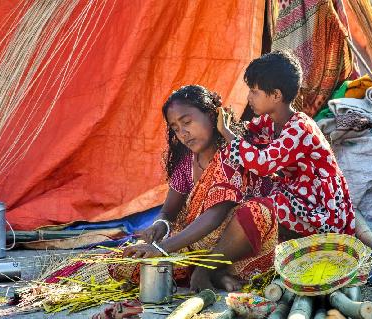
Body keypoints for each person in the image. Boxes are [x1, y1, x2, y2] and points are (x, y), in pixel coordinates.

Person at [118, 85, 278, 292]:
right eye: (175, 128)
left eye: (187, 122)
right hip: (197, 242)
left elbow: (215, 215)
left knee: (258, 211)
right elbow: (168, 211)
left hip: (237, 244)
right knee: (124, 262)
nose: (183, 133)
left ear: (212, 116)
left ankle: (205, 270)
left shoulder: (232, 153)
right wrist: (160, 226)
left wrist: (161, 248)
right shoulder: (186, 162)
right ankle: (216, 273)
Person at [217, 50, 356, 238]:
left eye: (254, 91)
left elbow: (263, 163)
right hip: (298, 192)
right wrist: (226, 124)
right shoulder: (270, 120)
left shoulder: (300, 128)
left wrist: (226, 132)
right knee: (249, 187)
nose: (249, 97)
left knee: (260, 206)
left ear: (276, 95)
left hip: (322, 209)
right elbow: (248, 133)